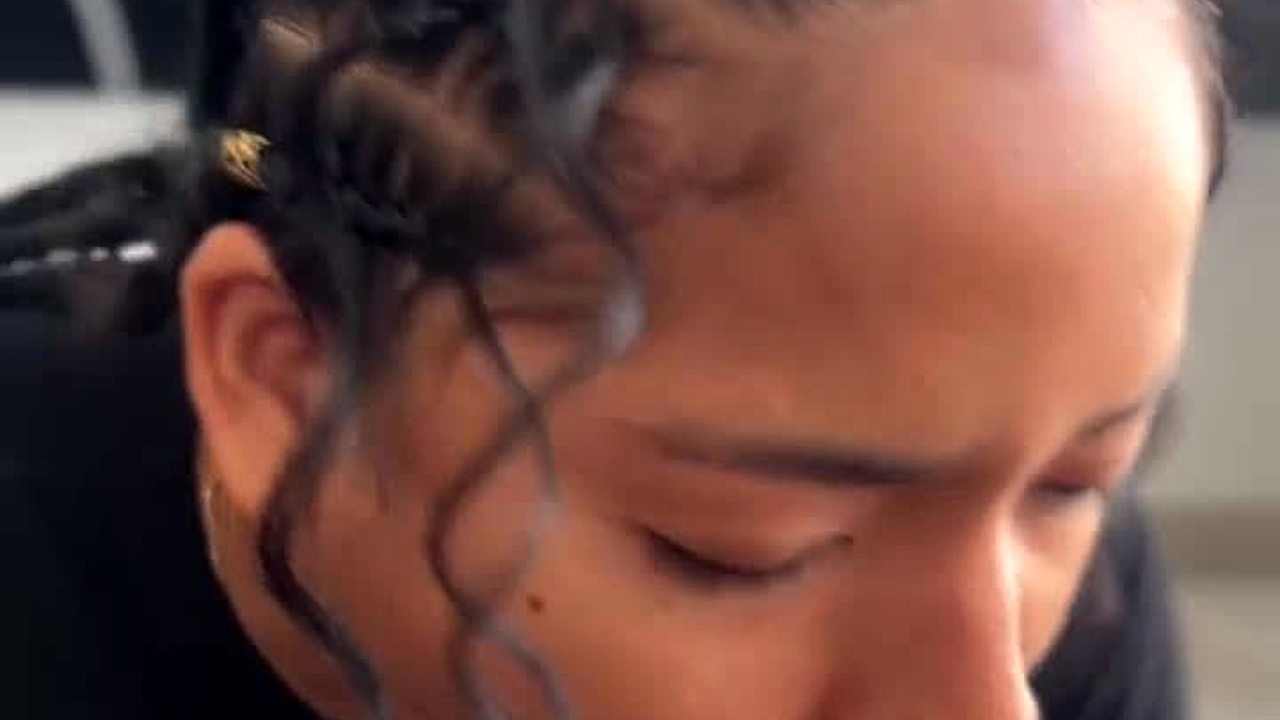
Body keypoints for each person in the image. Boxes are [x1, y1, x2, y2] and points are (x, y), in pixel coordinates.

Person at [0, 0, 1229, 718]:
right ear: (286, 381)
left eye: (1075, 480)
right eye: (746, 550)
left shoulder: (1045, 599)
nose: (992, 699)